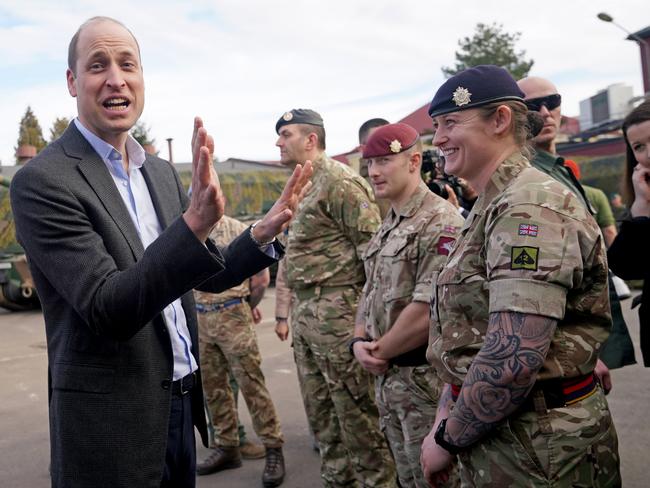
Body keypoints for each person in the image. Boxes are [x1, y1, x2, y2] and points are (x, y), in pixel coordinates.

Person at [9, 17, 311, 488]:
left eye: (128, 64)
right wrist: (193, 226)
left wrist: (260, 235)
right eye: (97, 65)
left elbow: (200, 276)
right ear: (72, 81)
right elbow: (109, 307)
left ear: (142, 78)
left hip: (181, 404)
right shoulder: (44, 182)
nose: (116, 78)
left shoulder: (162, 174)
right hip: (112, 424)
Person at [421, 65, 620, 487]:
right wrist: (447, 408)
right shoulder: (494, 204)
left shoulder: (528, 206)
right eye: (436, 126)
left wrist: (447, 439)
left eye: (450, 123)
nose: (437, 139)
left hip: (539, 444)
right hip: (504, 432)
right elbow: (467, 332)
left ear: (500, 121)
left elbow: (513, 358)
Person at [274, 108, 396, 486]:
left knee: (360, 424)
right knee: (324, 422)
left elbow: (374, 256)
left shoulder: (340, 182)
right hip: (309, 318)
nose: (278, 141)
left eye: (286, 134)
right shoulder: (301, 184)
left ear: (311, 140)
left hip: (341, 317)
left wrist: (369, 327)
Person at [352, 123, 463, 487]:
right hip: (391, 382)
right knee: (406, 477)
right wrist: (358, 341)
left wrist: (377, 350)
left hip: (424, 384)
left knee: (435, 479)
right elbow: (370, 289)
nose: (374, 172)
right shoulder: (391, 221)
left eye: (384, 161)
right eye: (369, 163)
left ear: (414, 160)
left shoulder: (440, 220)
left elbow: (429, 307)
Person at [518, 75, 635, 371]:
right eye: (533, 105)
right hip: (569, 351)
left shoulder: (561, 172)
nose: (545, 112)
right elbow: (532, 282)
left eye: (552, 102)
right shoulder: (526, 182)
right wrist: (578, 350)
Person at [194, 214, 285, 487]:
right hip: (201, 319)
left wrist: (246, 304)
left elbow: (259, 279)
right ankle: (227, 446)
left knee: (252, 385)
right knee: (214, 389)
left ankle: (273, 448)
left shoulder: (236, 229)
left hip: (232, 314)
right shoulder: (190, 230)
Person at [609, 99, 650, 366]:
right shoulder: (643, 200)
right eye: (639, 147)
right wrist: (641, 208)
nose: (648, 153)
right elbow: (625, 266)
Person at [358, 118, 391, 217]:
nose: (385, 146)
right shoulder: (360, 188)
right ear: (362, 149)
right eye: (377, 141)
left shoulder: (402, 174)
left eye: (389, 140)